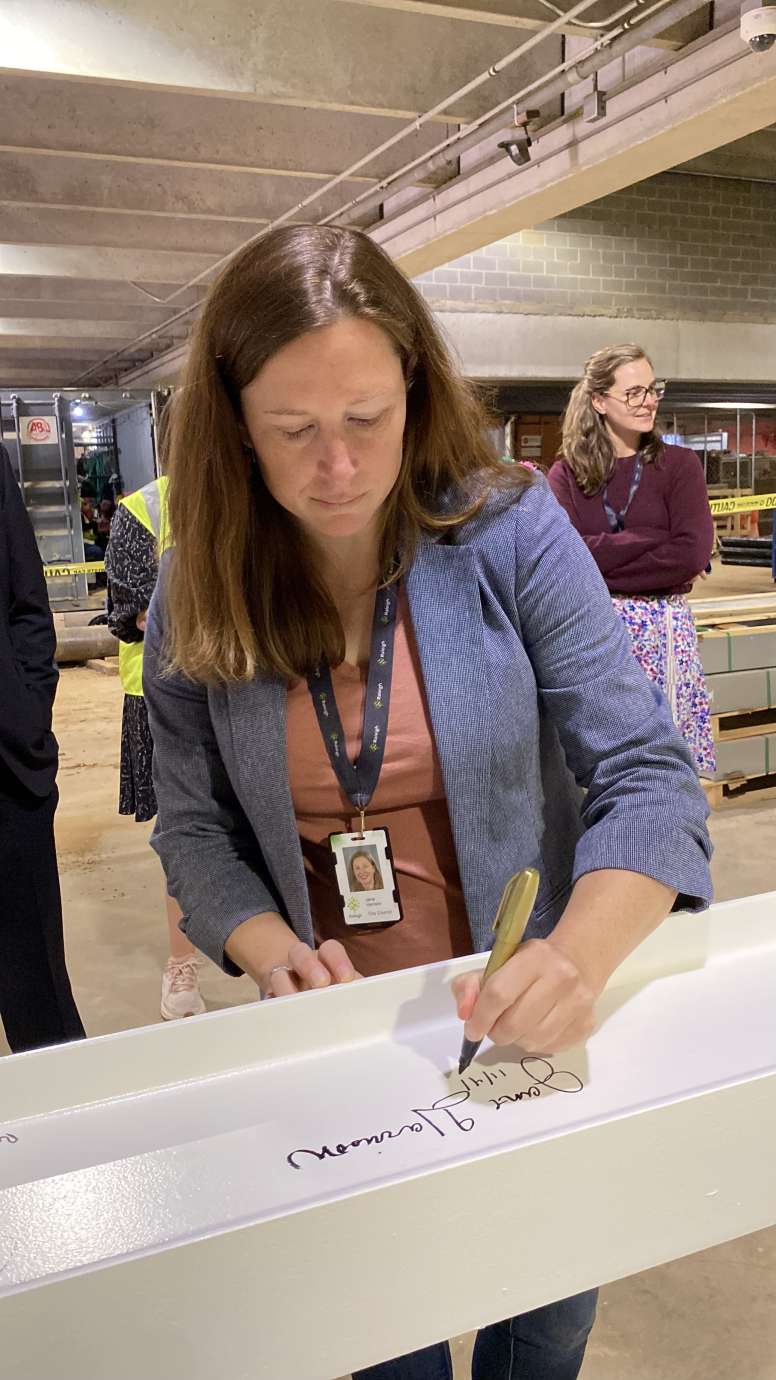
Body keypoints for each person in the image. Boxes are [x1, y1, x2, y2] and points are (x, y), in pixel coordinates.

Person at [144, 225, 712, 1380]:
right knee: (381, 1340)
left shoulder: (504, 527)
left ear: (414, 387)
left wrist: (576, 957)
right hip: (340, 1042)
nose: (338, 468)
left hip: (523, 1018)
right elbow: (194, 823)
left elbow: (646, 775)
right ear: (234, 425)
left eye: (367, 420)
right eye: (293, 432)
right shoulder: (200, 576)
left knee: (542, 1326)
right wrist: (265, 948)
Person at [547, 345, 716, 776]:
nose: (649, 401)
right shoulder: (566, 474)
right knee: (600, 770)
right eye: (635, 392)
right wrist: (651, 539)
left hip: (665, 638)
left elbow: (691, 553)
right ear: (600, 401)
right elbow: (565, 558)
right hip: (592, 635)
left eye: (653, 389)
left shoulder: (679, 466)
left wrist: (600, 550)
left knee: (668, 773)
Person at [105, 474, 205, 1021]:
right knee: (181, 825)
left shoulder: (264, 488)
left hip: (248, 684)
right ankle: (182, 962)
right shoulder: (143, 508)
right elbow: (129, 614)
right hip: (161, 690)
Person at [0, 442, 85, 1053]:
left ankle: (75, 1139)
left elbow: (27, 603)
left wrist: (27, 714)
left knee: (42, 1006)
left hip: (5, 772)